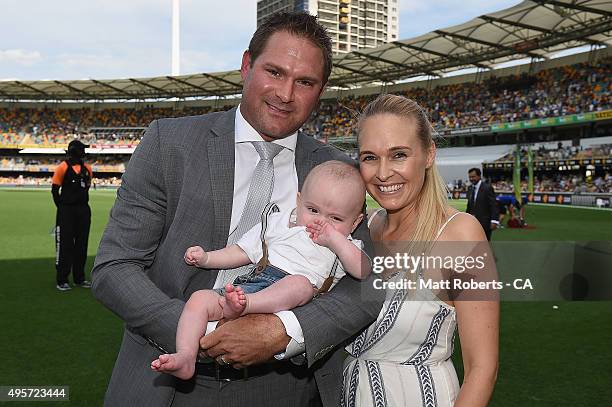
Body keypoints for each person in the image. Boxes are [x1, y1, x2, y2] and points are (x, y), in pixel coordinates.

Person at [92, 12, 383, 407]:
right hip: (166, 384)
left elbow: (367, 284)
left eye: (305, 82)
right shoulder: (169, 143)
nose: (285, 93)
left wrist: (284, 330)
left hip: (283, 387)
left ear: (321, 90)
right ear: (247, 66)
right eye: (275, 72)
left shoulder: (339, 173)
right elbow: (114, 267)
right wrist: (197, 330)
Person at [342, 94, 499, 406]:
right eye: (370, 157)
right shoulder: (361, 228)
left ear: (429, 154)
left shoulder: (459, 233)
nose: (383, 173)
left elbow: (482, 369)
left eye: (398, 155)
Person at [151, 161, 370, 380]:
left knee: (300, 284)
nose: (321, 222)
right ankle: (186, 356)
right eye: (313, 210)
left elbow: (363, 271)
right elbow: (242, 251)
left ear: (354, 223)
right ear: (298, 201)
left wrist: (335, 240)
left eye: (335, 219)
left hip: (290, 300)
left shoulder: (346, 245)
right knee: (199, 300)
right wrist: (207, 258)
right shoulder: (279, 224)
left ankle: (244, 306)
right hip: (253, 283)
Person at [52, 139, 93, 291]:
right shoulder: (62, 167)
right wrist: (62, 208)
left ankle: (79, 278)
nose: (84, 153)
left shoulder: (87, 168)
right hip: (66, 211)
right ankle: (62, 279)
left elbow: (86, 187)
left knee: (81, 245)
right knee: (65, 245)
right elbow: (55, 190)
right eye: (82, 150)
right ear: (75, 150)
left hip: (83, 211)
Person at [466, 167, 499, 240]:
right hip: (473, 223)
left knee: (485, 244)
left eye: (473, 176)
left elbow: (493, 205)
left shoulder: (487, 188)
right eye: (470, 177)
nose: (471, 179)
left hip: (485, 223)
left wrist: (494, 220)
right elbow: (469, 206)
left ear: (479, 176)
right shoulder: (470, 188)